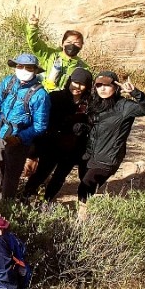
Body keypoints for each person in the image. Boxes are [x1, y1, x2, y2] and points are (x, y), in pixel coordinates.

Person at [0, 54, 49, 198]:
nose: (23, 70)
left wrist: (19, 138)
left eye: (28, 67)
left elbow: (40, 125)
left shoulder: (40, 95)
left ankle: (6, 205)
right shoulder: (9, 82)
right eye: (20, 66)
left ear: (35, 71)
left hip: (18, 141)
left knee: (11, 176)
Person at [78, 71, 145, 205]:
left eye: (107, 85)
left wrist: (135, 92)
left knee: (85, 186)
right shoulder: (95, 103)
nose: (102, 88)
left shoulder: (124, 106)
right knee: (86, 183)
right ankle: (90, 209)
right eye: (99, 85)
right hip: (89, 155)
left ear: (116, 87)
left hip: (108, 158)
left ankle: (82, 219)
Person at [22, 68, 92, 203]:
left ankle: (46, 201)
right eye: (75, 82)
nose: (77, 87)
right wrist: (35, 151)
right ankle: (25, 197)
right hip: (52, 144)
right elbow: (42, 120)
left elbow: (95, 123)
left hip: (73, 148)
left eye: (82, 84)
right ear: (69, 81)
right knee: (41, 173)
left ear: (88, 86)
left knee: (60, 176)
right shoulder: (55, 97)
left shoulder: (90, 103)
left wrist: (84, 127)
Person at [26, 13, 88, 92]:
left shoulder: (83, 67)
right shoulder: (50, 55)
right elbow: (34, 43)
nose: (72, 45)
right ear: (62, 43)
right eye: (68, 42)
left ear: (81, 46)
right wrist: (32, 27)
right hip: (45, 97)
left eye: (76, 43)